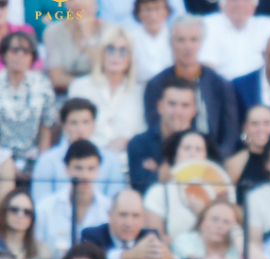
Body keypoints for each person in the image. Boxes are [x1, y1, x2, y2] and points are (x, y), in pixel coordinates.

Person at [142, 15, 241, 159]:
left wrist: (217, 161)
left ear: (201, 43)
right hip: (170, 160)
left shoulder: (220, 85)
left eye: (193, 39)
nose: (188, 46)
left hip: (213, 162)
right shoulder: (156, 85)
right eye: (181, 40)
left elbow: (230, 133)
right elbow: (155, 130)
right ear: (171, 43)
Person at [67, 24, 146, 167]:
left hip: (127, 164)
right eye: (110, 49)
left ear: (130, 57)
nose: (116, 55)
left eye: (123, 51)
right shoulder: (80, 87)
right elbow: (71, 132)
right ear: (101, 53)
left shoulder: (139, 92)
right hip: (87, 164)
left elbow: (143, 135)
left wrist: (127, 142)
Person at [31, 98, 127, 205]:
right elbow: (40, 204)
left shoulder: (111, 160)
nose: (80, 129)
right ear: (64, 126)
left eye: (85, 122)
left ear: (94, 125)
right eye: (74, 123)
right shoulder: (47, 161)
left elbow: (115, 203)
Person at [34, 140, 112, 257]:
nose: (84, 175)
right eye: (78, 168)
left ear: (98, 171)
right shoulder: (45, 208)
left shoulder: (109, 208)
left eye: (91, 168)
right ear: (67, 169)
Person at [0, 31, 58, 175]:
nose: (20, 55)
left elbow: (47, 125)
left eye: (26, 51)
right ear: (4, 54)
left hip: (33, 156)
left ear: (32, 57)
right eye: (14, 50)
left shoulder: (42, 84)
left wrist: (42, 162)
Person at [128, 78, 197, 192]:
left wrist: (159, 172)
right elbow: (141, 189)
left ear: (194, 111)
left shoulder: (205, 144)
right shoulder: (139, 143)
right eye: (172, 104)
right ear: (160, 107)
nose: (177, 112)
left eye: (185, 105)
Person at [80, 188, 170, 259]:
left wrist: (167, 257)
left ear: (143, 219)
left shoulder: (150, 236)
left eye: (135, 216)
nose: (128, 223)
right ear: (110, 215)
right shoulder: (91, 236)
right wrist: (128, 255)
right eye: (123, 215)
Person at [197, 0, 270, 81]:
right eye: (234, 0)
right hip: (222, 90)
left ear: (254, 6)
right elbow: (207, 68)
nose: (240, 4)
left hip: (257, 90)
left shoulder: (267, 27)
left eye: (246, 1)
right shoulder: (210, 25)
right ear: (223, 4)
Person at [170, 199, 244, 259]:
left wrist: (238, 236)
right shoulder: (185, 240)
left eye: (226, 222)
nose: (219, 226)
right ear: (202, 222)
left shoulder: (237, 247)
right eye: (214, 219)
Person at [128, 0, 174, 84]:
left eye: (158, 9)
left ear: (166, 12)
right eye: (147, 10)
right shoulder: (129, 39)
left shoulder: (175, 38)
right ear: (139, 13)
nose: (153, 15)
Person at [0, 190, 52, 259]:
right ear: (4, 212)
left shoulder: (42, 250)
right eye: (14, 210)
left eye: (27, 212)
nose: (20, 215)